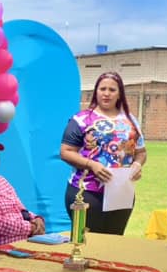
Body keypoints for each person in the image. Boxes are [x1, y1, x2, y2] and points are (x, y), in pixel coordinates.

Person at [59, 71, 146, 234]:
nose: (106, 93)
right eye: (102, 89)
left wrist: (137, 165)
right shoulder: (82, 119)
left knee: (114, 242)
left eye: (112, 90)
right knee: (87, 242)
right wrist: (91, 165)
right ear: (96, 92)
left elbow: (141, 152)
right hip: (86, 192)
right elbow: (66, 151)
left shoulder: (130, 121)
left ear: (119, 94)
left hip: (121, 193)